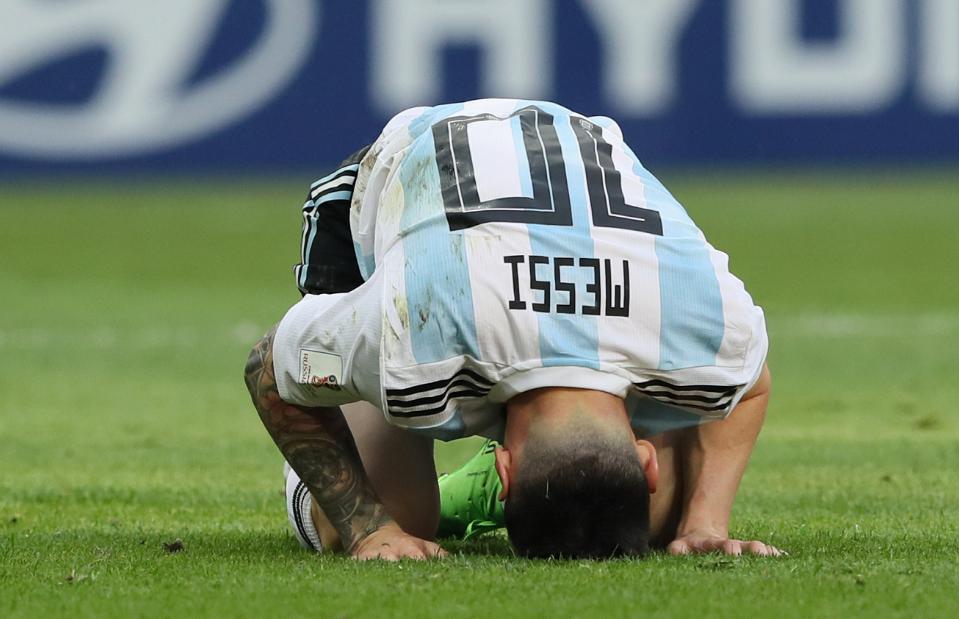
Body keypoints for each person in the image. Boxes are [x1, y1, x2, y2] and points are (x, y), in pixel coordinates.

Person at [244, 99, 780, 560]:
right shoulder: (410, 336)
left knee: (653, 521)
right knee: (394, 513)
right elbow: (267, 368)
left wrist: (702, 526)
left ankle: (478, 487)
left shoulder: (712, 325)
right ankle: (371, 468)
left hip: (553, 158)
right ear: (646, 460)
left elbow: (749, 379)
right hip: (390, 180)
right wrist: (370, 530)